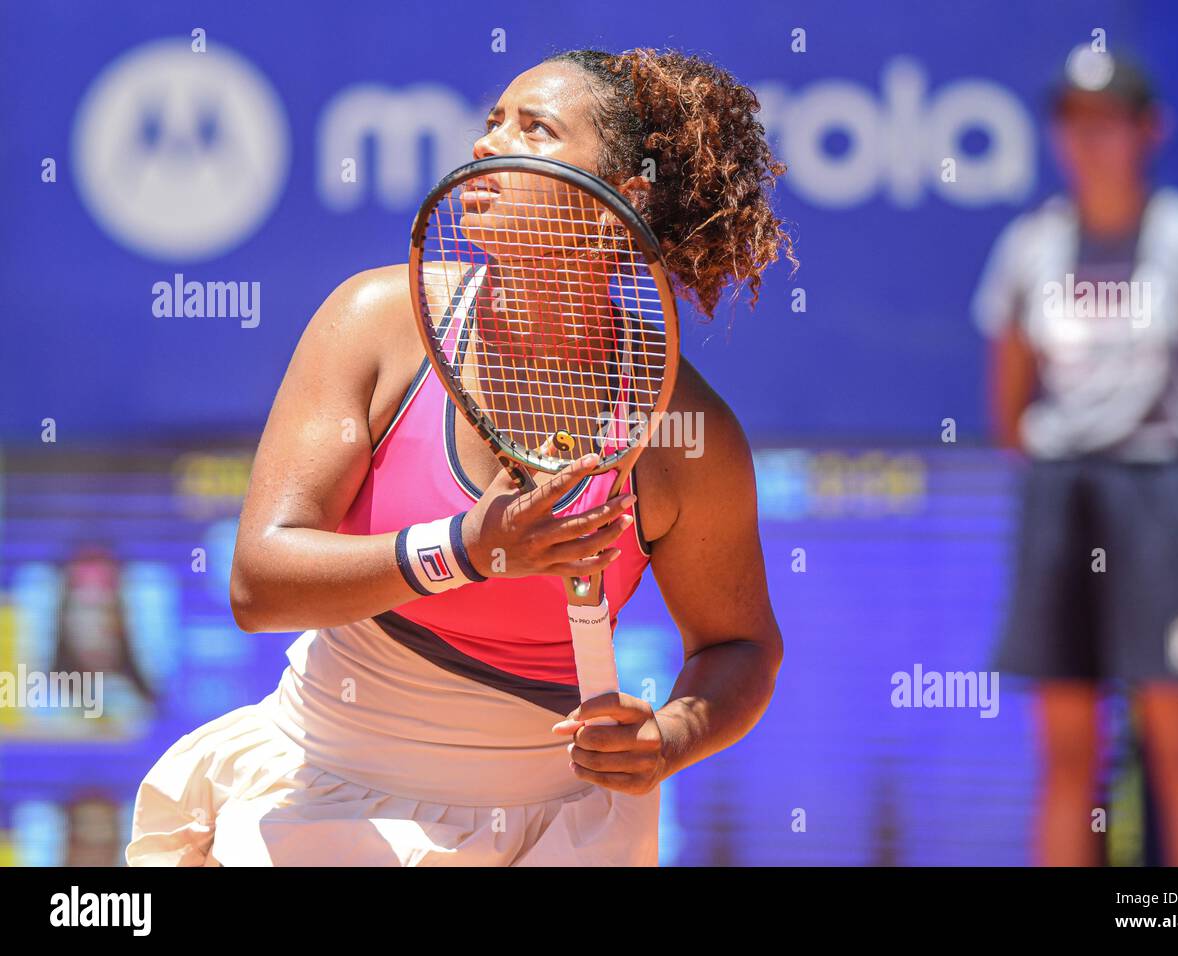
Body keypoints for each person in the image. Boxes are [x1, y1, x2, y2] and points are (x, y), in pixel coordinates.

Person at [126, 48, 793, 866]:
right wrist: (468, 551)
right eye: (490, 123)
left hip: (554, 828)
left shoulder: (687, 435)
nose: (486, 146)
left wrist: (669, 738)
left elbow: (741, 647)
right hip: (320, 791)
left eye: (534, 129)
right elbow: (258, 583)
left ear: (623, 195)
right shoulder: (373, 321)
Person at [972, 45, 1178, 866]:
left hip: (1164, 499)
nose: (1090, 139)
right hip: (1061, 500)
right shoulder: (1027, 251)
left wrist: (1175, 494)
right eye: (1074, 121)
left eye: (1109, 121)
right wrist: (1067, 475)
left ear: (1150, 130)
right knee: (1067, 753)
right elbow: (1009, 410)